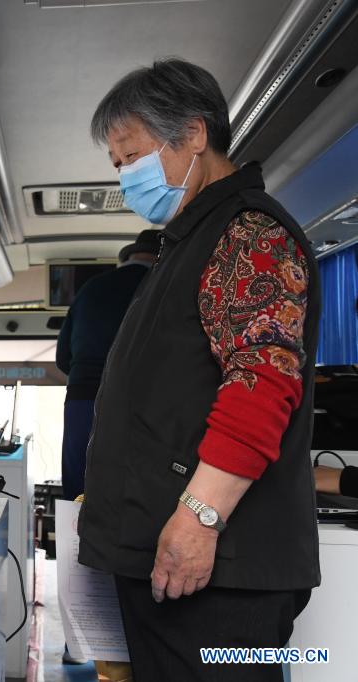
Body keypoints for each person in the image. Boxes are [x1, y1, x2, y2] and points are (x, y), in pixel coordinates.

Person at [79, 59, 320, 682]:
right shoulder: (192, 240)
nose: (123, 175)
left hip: (218, 572)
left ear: (192, 134)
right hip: (181, 564)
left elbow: (261, 382)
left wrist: (199, 518)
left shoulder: (248, 234)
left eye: (130, 156)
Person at [56, 229, 161, 502]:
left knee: (79, 487)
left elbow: (62, 358)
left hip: (83, 397)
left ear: (129, 256)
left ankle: (75, 543)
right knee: (133, 492)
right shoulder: (164, 286)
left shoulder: (90, 289)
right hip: (141, 400)